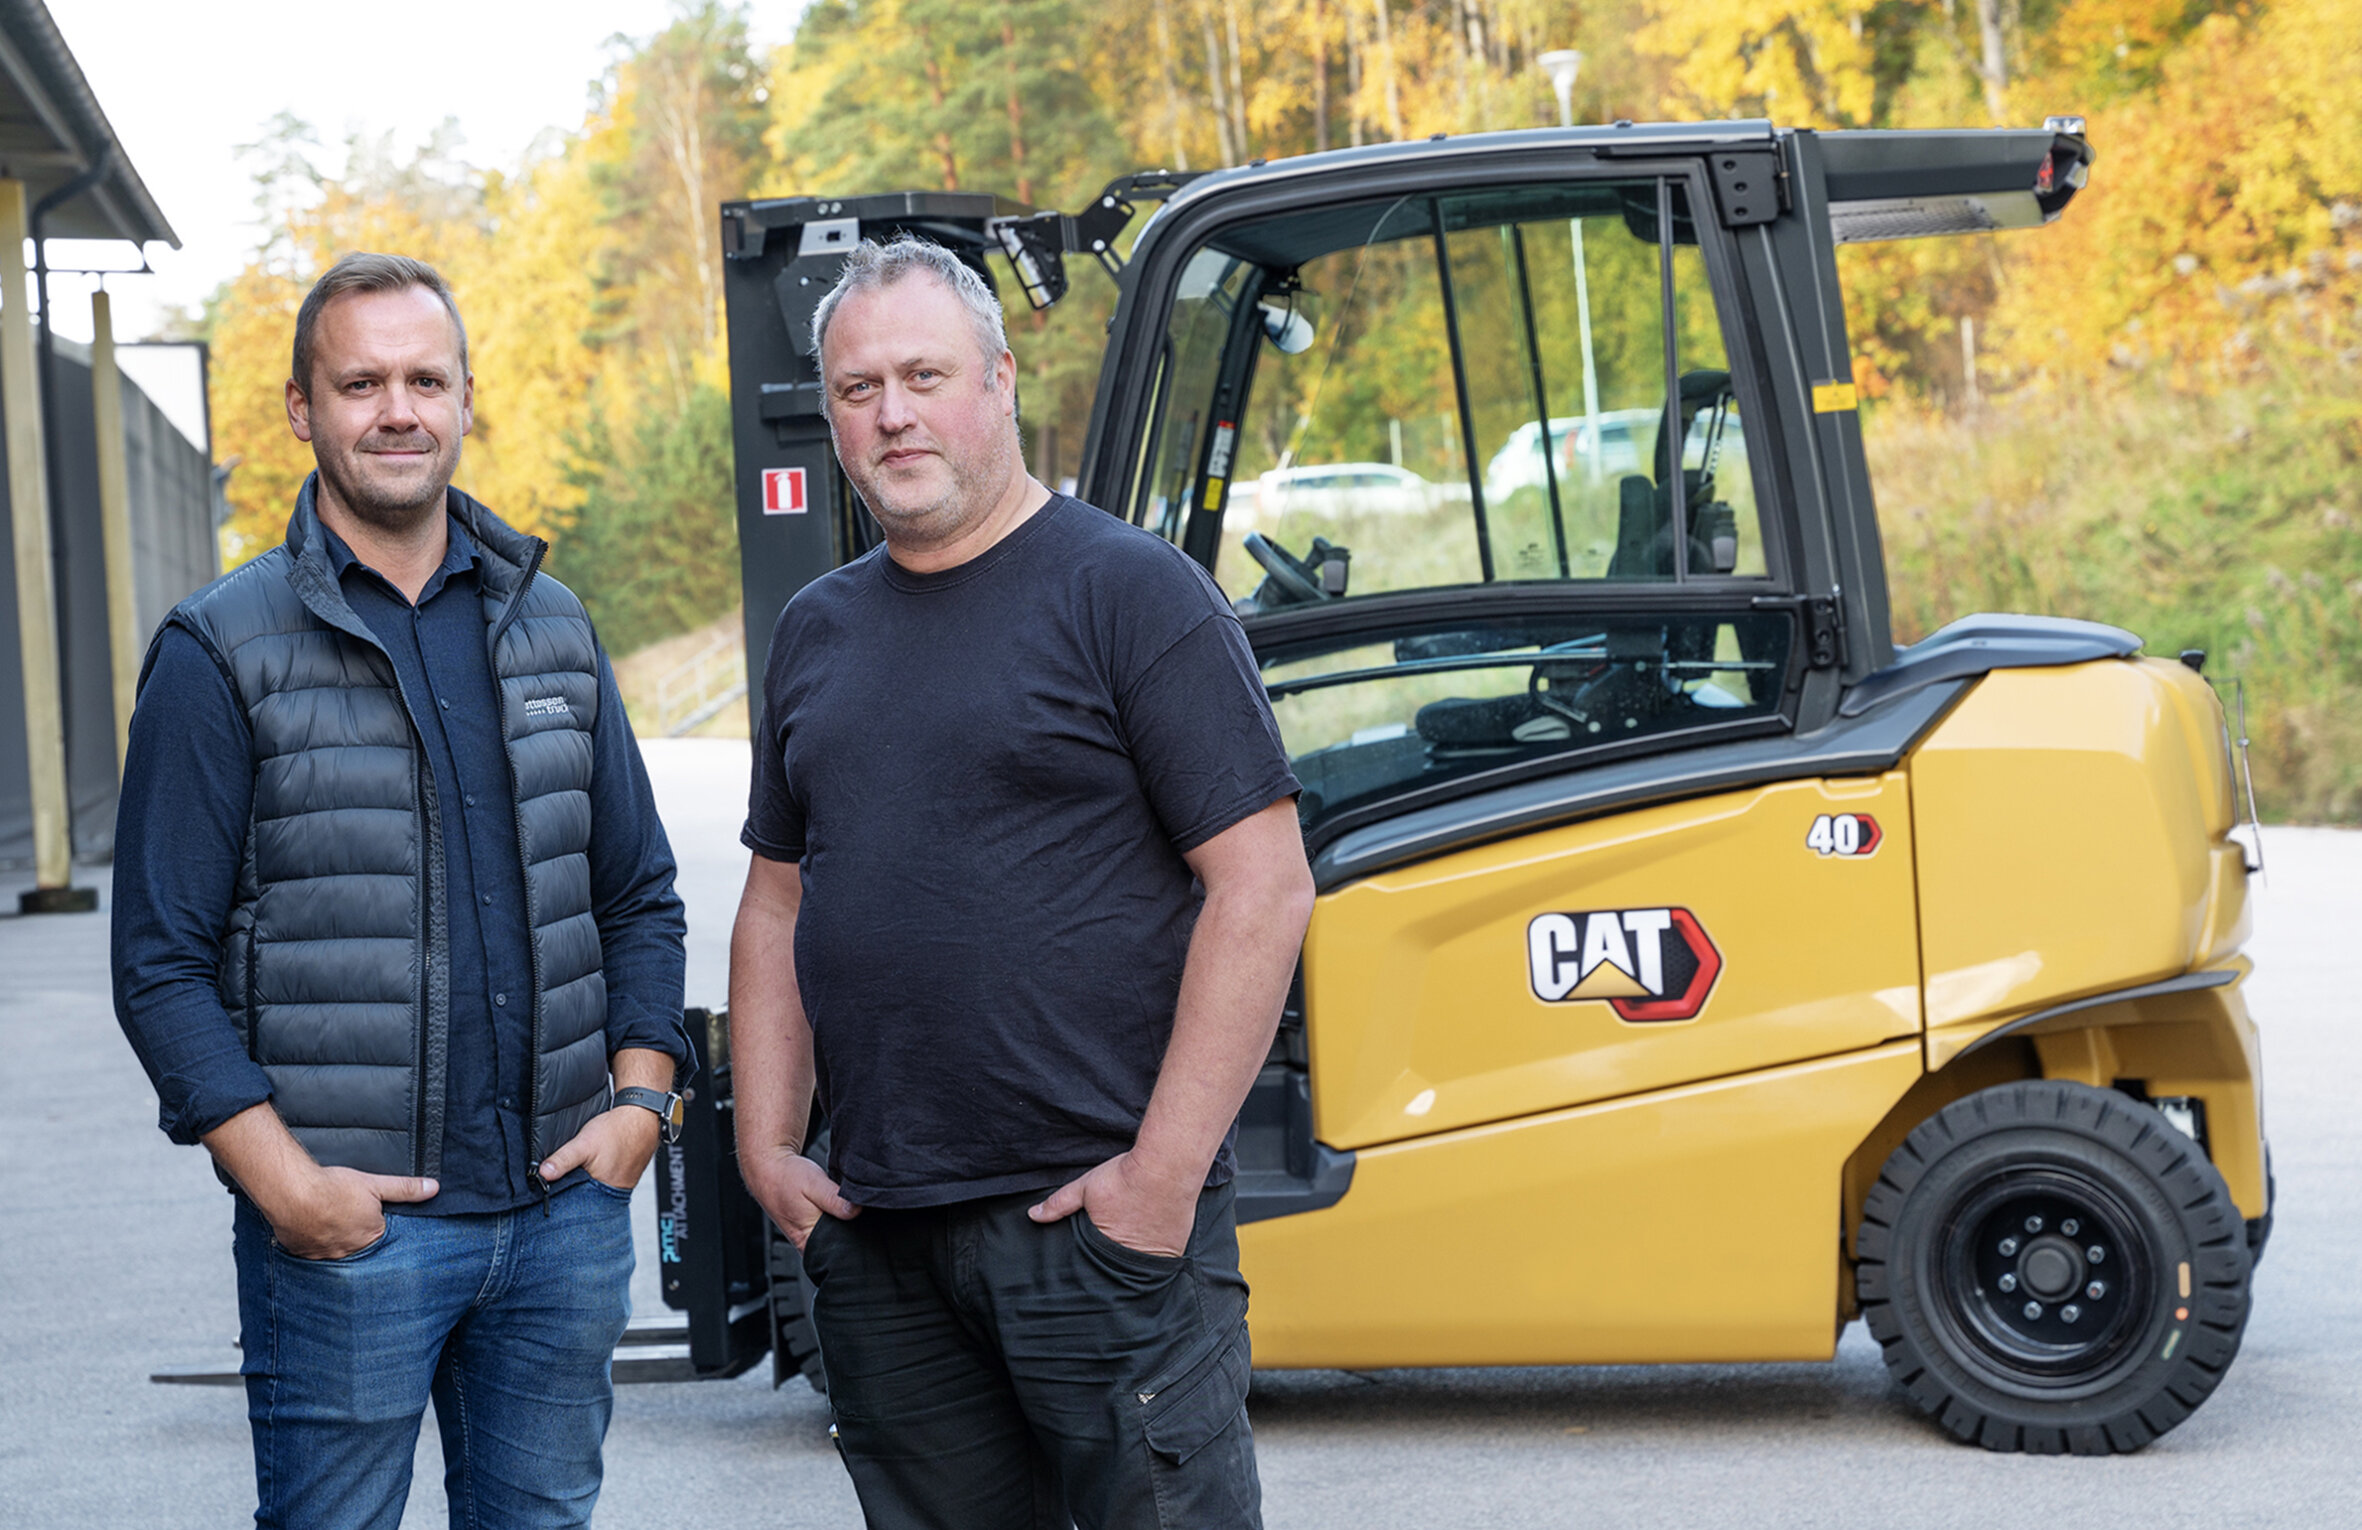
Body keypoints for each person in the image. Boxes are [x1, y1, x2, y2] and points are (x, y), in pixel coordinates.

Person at [729, 233, 1315, 1529]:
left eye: (924, 376)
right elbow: (776, 901)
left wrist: (1160, 1179)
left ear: (998, 380)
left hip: (1092, 1224)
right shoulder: (816, 630)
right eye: (858, 388)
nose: (892, 413)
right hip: (880, 1234)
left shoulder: (1133, 594)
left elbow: (1263, 887)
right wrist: (765, 1148)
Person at [111, 252, 690, 1530]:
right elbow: (158, 964)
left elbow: (638, 893)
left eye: (426, 380)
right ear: (301, 408)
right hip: (352, 1236)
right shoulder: (221, 650)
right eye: (361, 382)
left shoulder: (553, 625)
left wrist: (643, 1107)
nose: (398, 410)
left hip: (561, 1215)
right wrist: (286, 1188)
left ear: (467, 399)